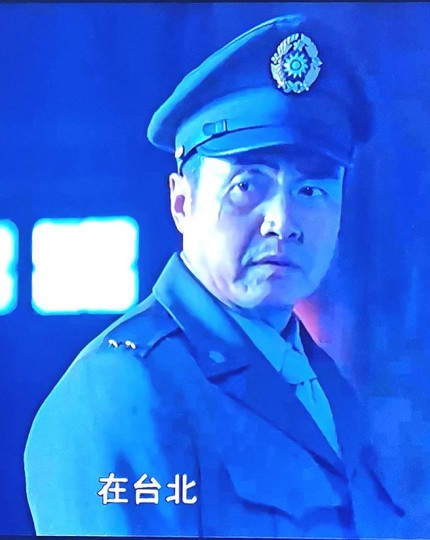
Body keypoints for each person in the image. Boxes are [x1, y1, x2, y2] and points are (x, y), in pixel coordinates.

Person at [24, 14, 406, 537]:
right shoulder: (120, 393)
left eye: (311, 190)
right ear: (182, 203)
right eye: (248, 185)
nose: (283, 221)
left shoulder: (328, 389)